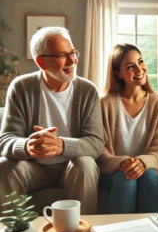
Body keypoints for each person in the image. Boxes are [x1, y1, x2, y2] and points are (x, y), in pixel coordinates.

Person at [0, 26, 104, 214]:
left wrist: (61, 146)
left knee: (85, 164)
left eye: (73, 52)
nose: (73, 60)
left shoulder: (87, 90)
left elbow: (96, 143)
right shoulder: (21, 87)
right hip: (33, 169)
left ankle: (85, 231)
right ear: (41, 62)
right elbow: (5, 139)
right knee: (3, 166)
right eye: (62, 55)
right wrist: (26, 146)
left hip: (70, 168)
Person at [97, 43, 158, 213]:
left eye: (141, 61)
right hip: (112, 172)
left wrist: (142, 163)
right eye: (130, 66)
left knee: (149, 177)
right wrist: (122, 163)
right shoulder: (103, 104)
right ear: (117, 73)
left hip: (149, 169)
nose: (139, 69)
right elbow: (100, 150)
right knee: (126, 179)